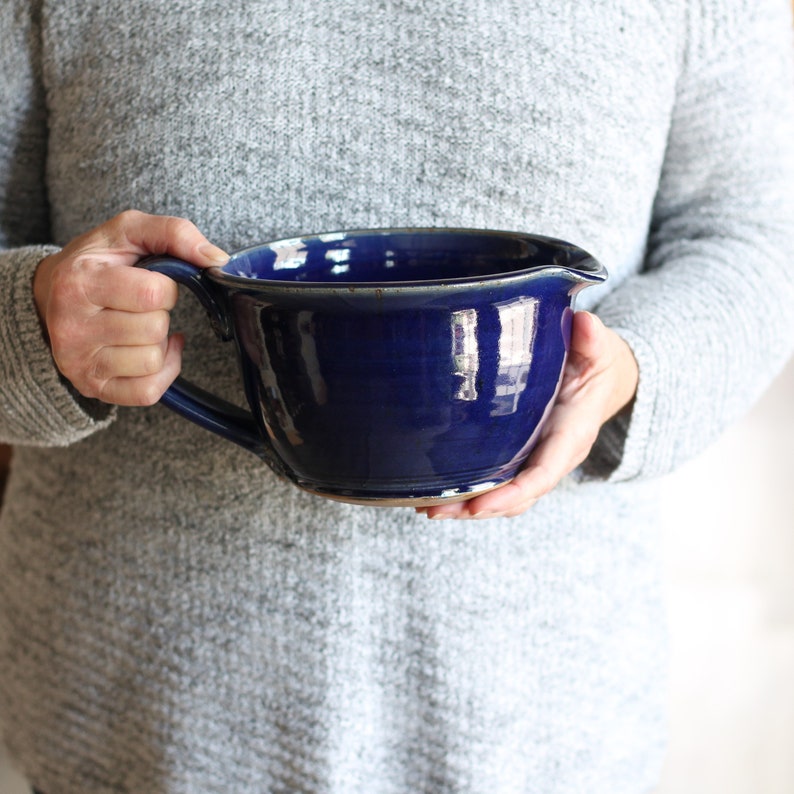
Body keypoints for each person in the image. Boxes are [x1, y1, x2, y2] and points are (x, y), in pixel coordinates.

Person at [1, 1, 793, 792]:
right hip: (128, 730)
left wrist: (631, 365)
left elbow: (758, 238)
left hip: (541, 732)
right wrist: (35, 315)